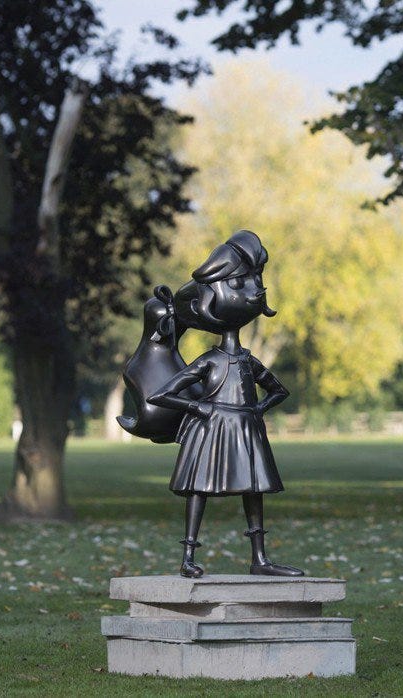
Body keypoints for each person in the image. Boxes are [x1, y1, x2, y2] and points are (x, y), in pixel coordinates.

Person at [121, 230, 302, 578]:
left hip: (245, 429)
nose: (255, 291)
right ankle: (188, 556)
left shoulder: (247, 361)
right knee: (199, 487)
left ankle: (260, 558)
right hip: (212, 429)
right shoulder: (210, 361)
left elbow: (278, 390)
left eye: (254, 281)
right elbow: (162, 394)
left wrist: (257, 410)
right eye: (239, 283)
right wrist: (199, 408)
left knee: (254, 487)